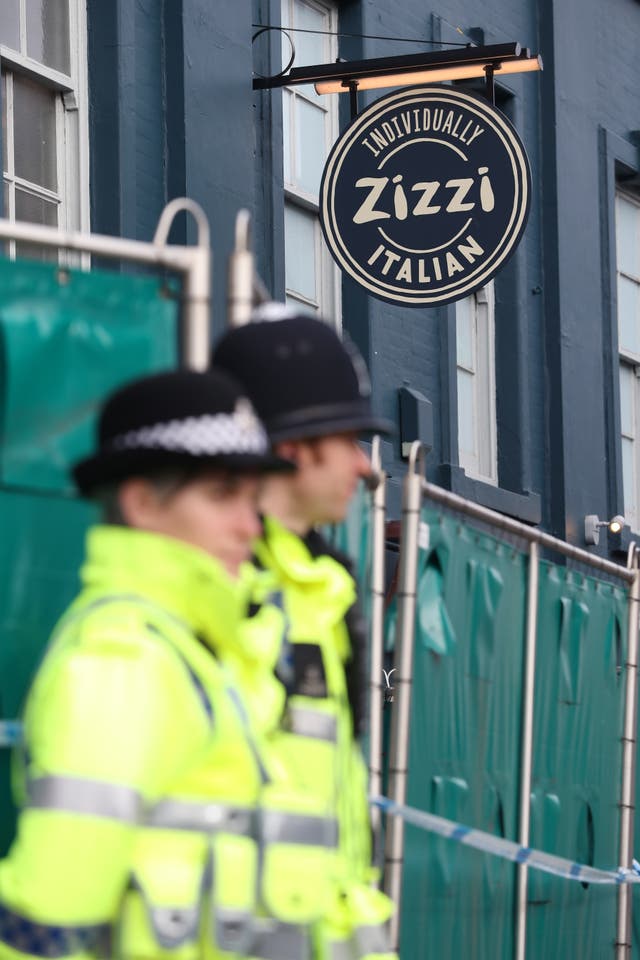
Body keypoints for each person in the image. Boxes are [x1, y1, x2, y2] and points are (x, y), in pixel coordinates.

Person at [0, 367, 321, 960]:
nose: (251, 527)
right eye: (224, 495)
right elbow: (50, 915)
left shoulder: (189, 651)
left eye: (253, 501)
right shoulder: (125, 660)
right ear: (143, 503)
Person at [212, 306, 398, 960]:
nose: (363, 466)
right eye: (347, 441)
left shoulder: (321, 592)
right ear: (291, 448)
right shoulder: (220, 590)